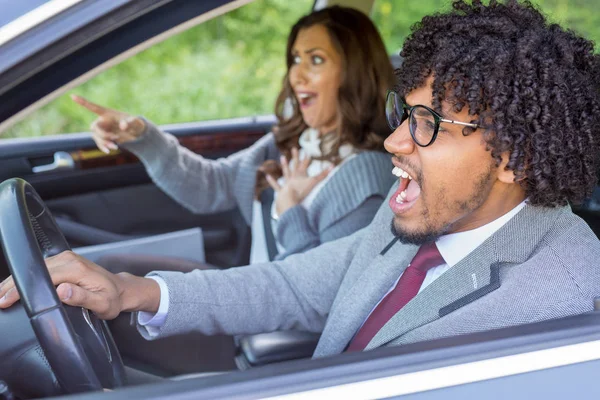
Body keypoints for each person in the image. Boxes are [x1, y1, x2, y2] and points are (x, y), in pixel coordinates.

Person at [2, 0, 600, 357]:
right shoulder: (415, 216)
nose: (393, 141)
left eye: (427, 125)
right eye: (404, 113)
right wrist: (132, 290)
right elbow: (292, 287)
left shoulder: (562, 294)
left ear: (513, 157)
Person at [70, 5, 396, 273]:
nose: (296, 75)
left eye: (316, 60)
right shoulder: (292, 142)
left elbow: (328, 295)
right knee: (115, 267)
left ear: (354, 71)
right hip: (258, 307)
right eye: (295, 59)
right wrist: (143, 137)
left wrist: (290, 212)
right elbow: (209, 186)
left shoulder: (367, 176)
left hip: (286, 340)